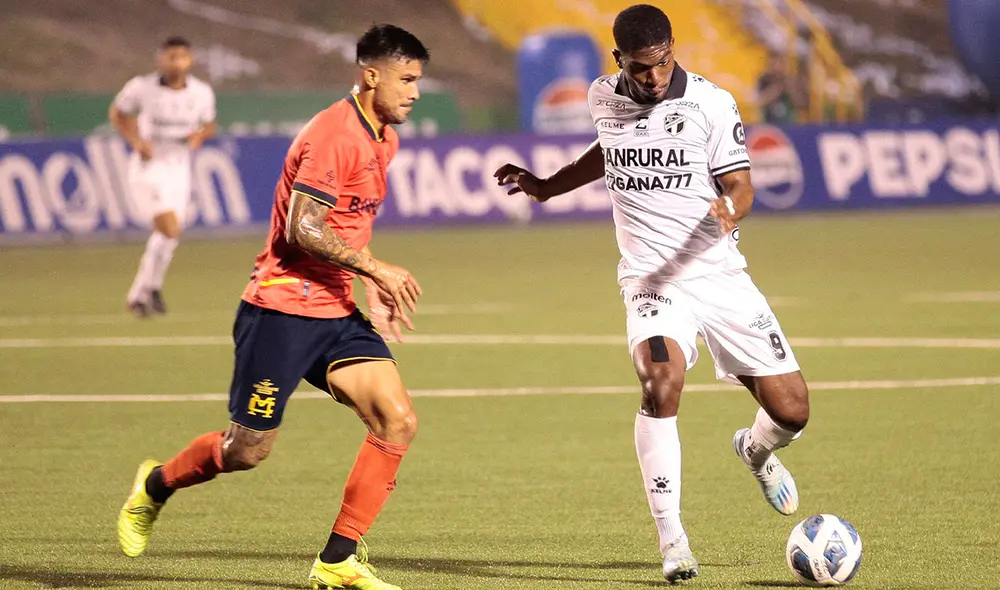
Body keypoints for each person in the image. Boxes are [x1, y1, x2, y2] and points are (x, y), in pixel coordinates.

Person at [494, 4, 810, 583]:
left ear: (671, 50)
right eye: (642, 69)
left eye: (663, 64)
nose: (655, 78)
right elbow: (608, 150)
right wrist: (545, 186)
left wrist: (730, 212)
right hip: (650, 281)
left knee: (792, 412)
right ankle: (674, 541)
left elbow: (741, 184)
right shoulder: (601, 98)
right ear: (620, 62)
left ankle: (756, 450)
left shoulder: (711, 103)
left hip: (717, 275)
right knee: (659, 383)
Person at [117, 24, 429, 590]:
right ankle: (156, 484)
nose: (413, 92)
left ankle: (337, 560)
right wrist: (378, 270)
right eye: (406, 80)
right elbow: (303, 228)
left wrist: (367, 286)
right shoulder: (336, 134)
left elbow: (347, 226)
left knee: (397, 419)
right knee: (246, 450)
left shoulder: (384, 137)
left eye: (418, 82)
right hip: (280, 308)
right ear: (371, 75)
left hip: (334, 311)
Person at [110, 36, 216, 317]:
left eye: (181, 56)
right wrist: (135, 141)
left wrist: (199, 135)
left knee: (168, 237)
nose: (176, 62)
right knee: (170, 229)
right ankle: (152, 286)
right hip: (150, 168)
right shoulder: (141, 88)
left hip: (180, 169)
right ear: (161, 59)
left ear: (189, 59)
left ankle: (138, 296)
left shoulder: (202, 92)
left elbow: (209, 125)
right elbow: (118, 114)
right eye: (171, 56)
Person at [757, 51, 799, 124]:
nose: (776, 68)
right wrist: (776, 90)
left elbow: (800, 102)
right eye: (773, 65)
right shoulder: (764, 80)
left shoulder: (790, 80)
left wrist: (789, 87)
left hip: (790, 124)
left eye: (779, 64)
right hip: (769, 123)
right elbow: (760, 101)